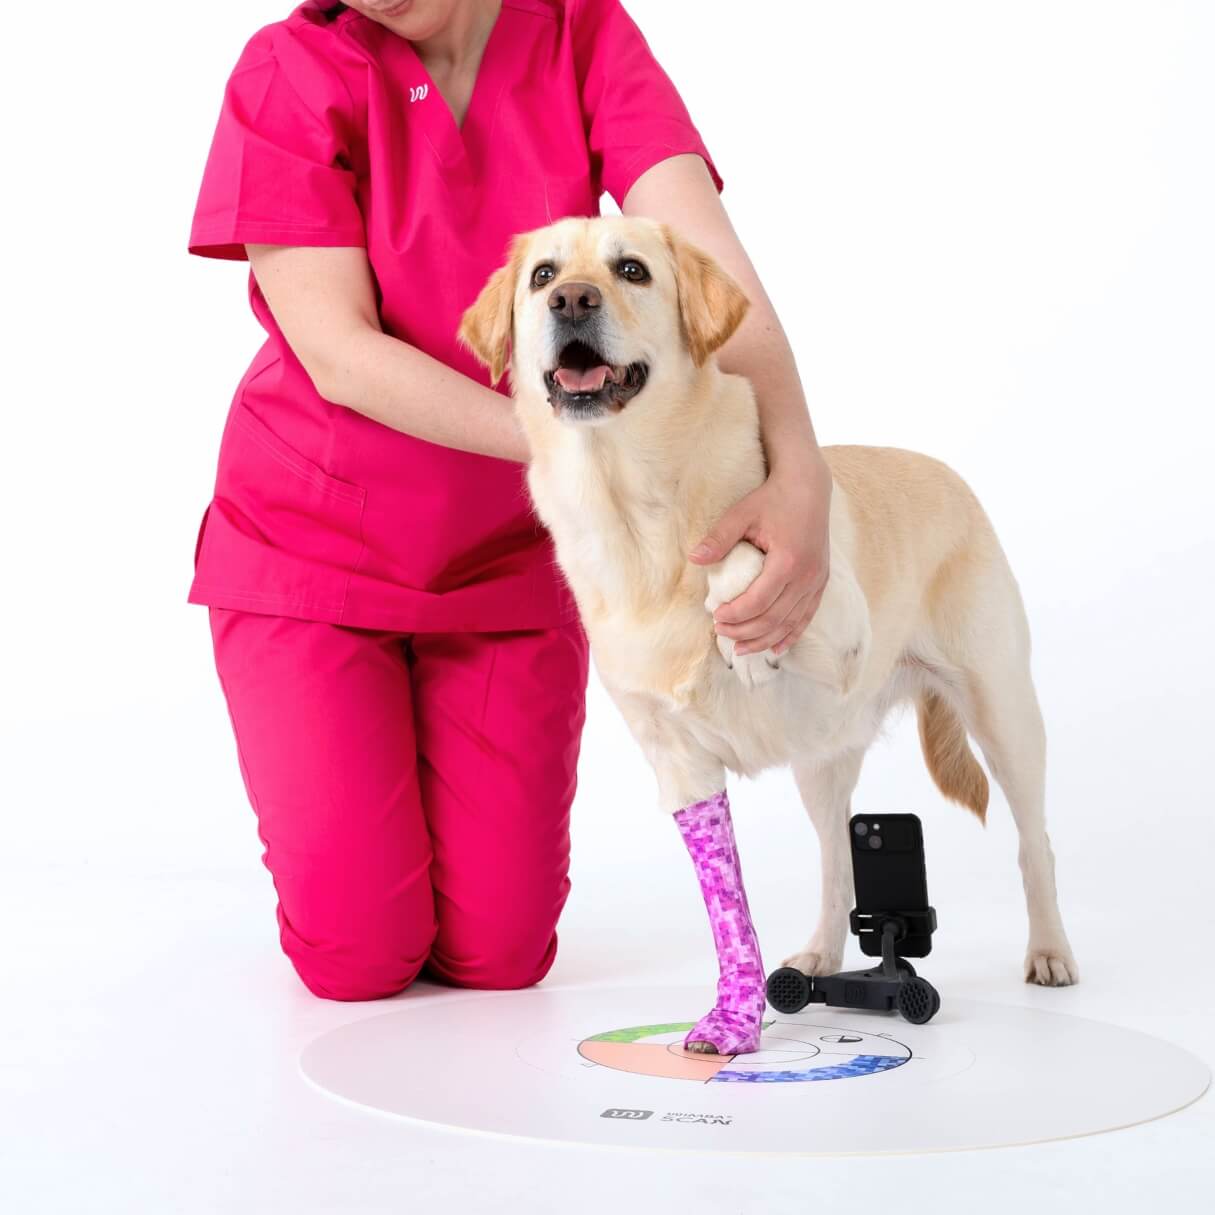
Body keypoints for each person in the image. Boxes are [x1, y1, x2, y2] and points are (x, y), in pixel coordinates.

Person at [188, 0, 832, 1002]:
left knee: (502, 957)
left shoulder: (580, 31)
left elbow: (709, 278)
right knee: (359, 959)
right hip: (312, 550)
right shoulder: (290, 70)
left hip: (506, 566)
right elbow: (341, 355)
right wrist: (567, 443)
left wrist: (800, 472)